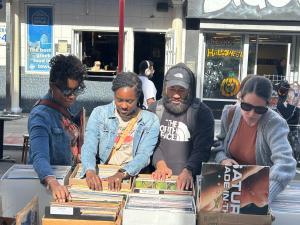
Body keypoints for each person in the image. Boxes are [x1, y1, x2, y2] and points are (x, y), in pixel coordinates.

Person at [213, 76, 297, 203]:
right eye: (246, 106)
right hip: (229, 189)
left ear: (268, 105)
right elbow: (218, 145)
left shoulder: (274, 123)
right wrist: (223, 159)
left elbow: (285, 163)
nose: (251, 114)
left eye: (259, 109)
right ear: (240, 98)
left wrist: (266, 195)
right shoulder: (229, 113)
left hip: (259, 193)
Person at [81, 72, 160, 191]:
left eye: (129, 101)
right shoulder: (99, 113)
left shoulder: (150, 120)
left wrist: (122, 173)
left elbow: (144, 155)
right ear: (114, 95)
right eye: (119, 100)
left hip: (132, 176)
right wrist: (90, 171)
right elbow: (89, 146)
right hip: (104, 173)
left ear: (138, 97)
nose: (123, 106)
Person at [28, 54, 86, 202]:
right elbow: (39, 156)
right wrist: (52, 183)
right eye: (67, 91)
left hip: (69, 179)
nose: (72, 96)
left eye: (76, 90)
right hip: (53, 187)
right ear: (52, 86)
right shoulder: (40, 116)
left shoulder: (64, 108)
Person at [149, 63, 214, 191]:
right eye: (172, 89)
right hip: (157, 179)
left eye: (182, 90)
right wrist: (160, 164)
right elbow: (149, 144)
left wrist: (189, 170)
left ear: (190, 91)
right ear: (164, 88)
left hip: (189, 182)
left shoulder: (202, 113)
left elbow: (202, 149)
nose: (176, 95)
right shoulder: (154, 109)